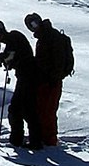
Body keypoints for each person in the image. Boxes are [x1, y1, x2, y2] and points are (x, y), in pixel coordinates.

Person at [0, 19, 42, 149]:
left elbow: (10, 54)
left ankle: (24, 141)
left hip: (28, 78)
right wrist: (1, 60)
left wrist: (0, 61)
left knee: (19, 110)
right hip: (27, 77)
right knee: (25, 110)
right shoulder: (13, 38)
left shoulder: (13, 37)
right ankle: (30, 140)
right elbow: (10, 54)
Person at [24, 12, 64, 147]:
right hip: (46, 80)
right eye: (30, 25)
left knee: (48, 110)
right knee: (42, 109)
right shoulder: (45, 37)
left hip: (51, 81)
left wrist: (52, 76)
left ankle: (50, 139)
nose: (33, 27)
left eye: (34, 23)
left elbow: (53, 60)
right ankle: (44, 137)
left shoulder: (49, 37)